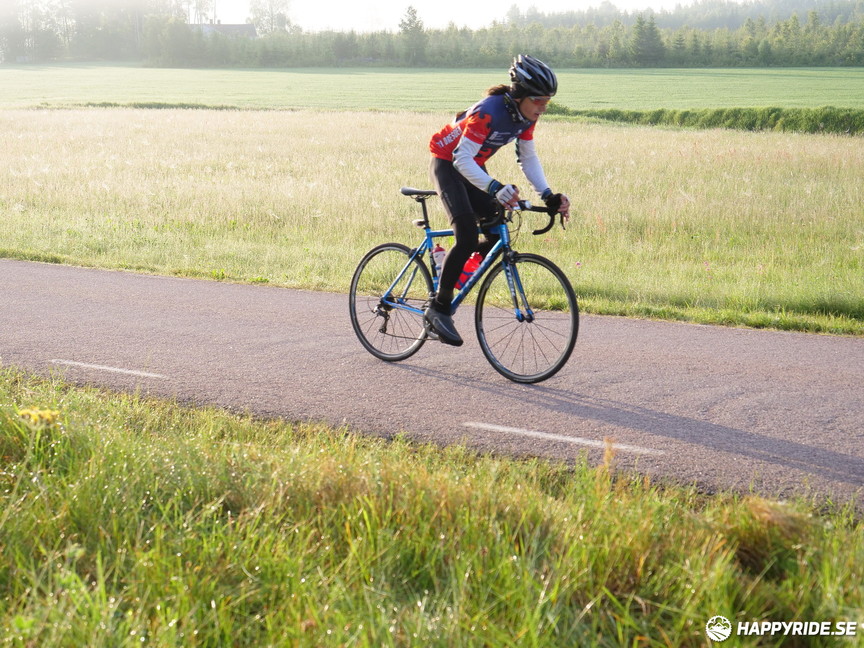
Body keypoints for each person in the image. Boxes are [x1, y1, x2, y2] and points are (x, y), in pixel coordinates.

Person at [426, 54, 570, 347]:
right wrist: (494, 187)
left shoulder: (524, 116)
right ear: (520, 96)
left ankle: (450, 267)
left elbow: (527, 158)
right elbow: (460, 158)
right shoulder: (489, 111)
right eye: (539, 100)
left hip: (472, 168)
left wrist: (548, 195)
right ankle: (439, 308)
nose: (543, 107)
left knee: (494, 234)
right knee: (466, 235)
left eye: (548, 102)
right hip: (448, 164)